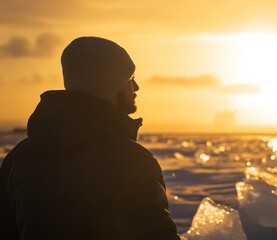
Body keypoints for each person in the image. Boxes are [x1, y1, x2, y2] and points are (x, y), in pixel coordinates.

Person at [0, 37, 180, 240]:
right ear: (110, 88)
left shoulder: (18, 159)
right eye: (130, 79)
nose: (136, 86)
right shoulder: (130, 161)